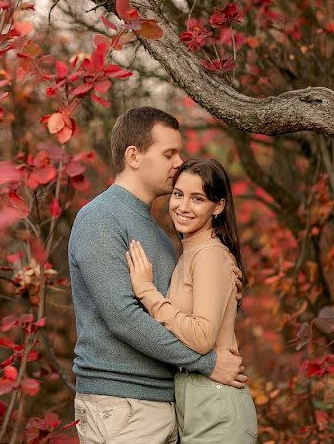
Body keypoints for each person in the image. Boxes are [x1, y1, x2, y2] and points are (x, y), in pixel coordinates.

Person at [69, 108, 247, 444]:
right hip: (122, 403)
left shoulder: (162, 237)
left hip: (169, 402)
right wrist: (206, 363)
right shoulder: (99, 219)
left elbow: (179, 314)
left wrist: (226, 284)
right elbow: (122, 317)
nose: (179, 162)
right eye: (169, 153)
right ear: (133, 156)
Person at [127, 157, 258, 443]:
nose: (183, 207)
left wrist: (146, 291)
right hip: (197, 402)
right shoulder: (191, 254)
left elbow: (201, 337)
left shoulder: (210, 254)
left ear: (218, 206)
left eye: (197, 198)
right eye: (178, 194)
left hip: (217, 406)